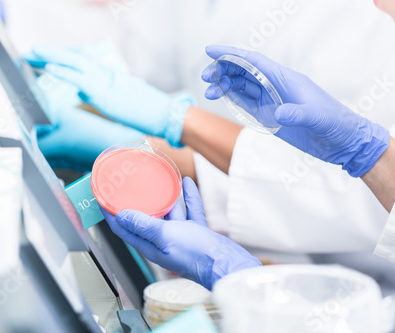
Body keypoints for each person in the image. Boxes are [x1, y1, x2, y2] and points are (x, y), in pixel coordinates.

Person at [25, 0, 395, 289]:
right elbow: (145, 53)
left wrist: (171, 128)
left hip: (338, 274)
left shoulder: (367, 28)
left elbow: (336, 195)